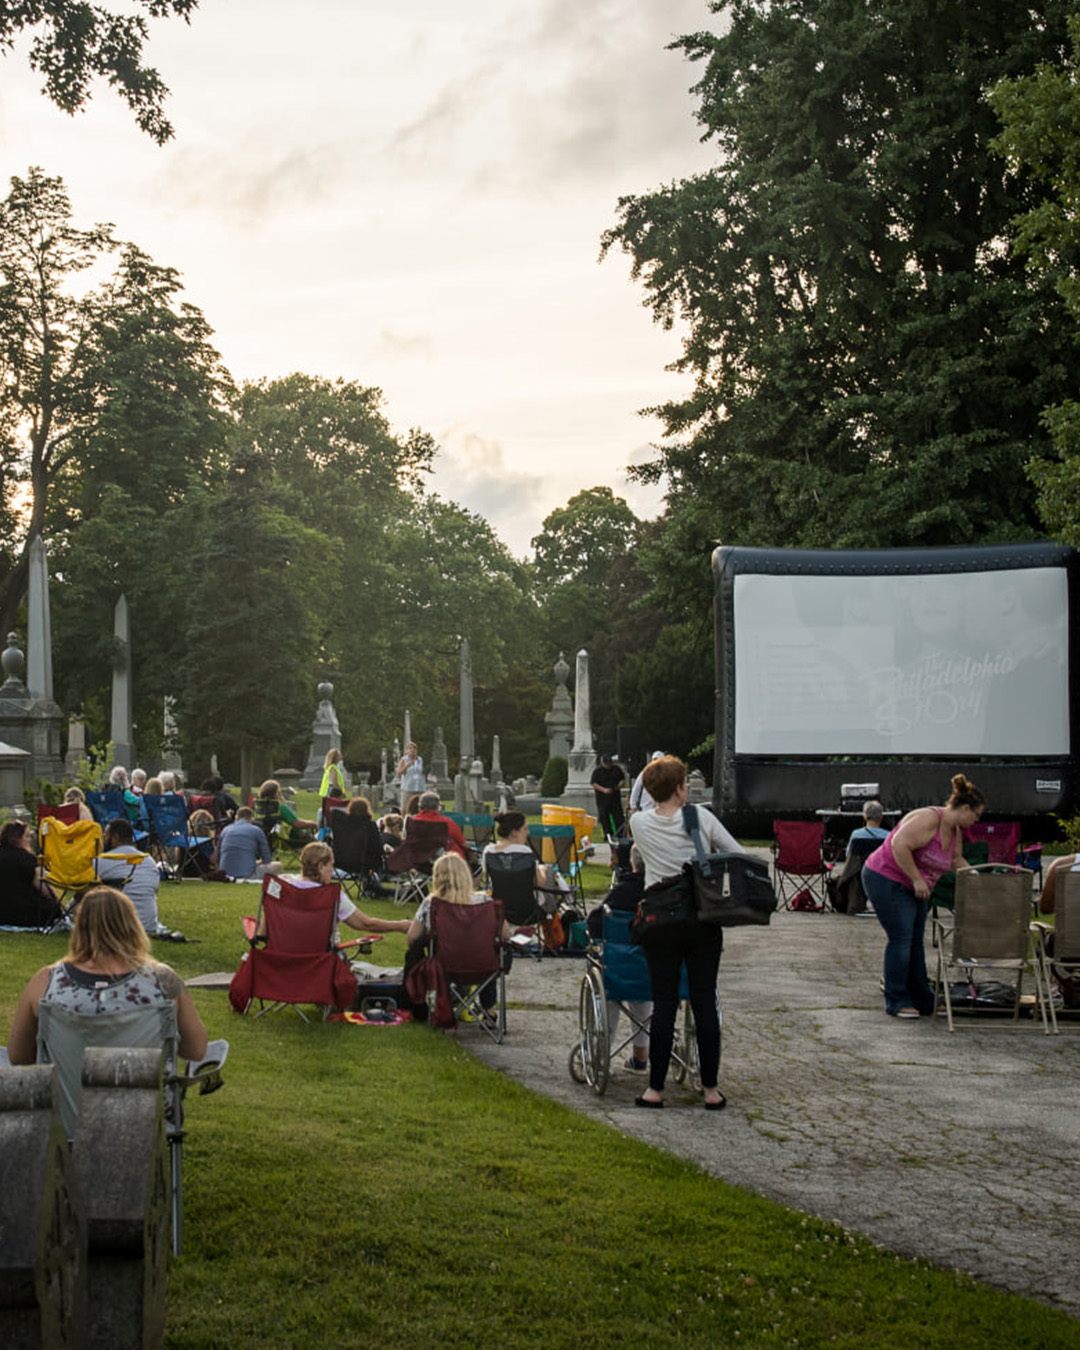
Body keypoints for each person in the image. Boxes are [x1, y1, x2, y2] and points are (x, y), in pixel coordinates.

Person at [628, 755, 747, 1110]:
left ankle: (654, 1089)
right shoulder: (701, 818)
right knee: (703, 1001)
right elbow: (736, 853)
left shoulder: (639, 823)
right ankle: (710, 1088)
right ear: (681, 789)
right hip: (700, 918)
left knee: (663, 1003)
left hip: (659, 921)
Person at [5, 886, 208, 1081]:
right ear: (132, 926)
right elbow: (196, 1050)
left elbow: (18, 1057)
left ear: (79, 928)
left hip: (64, 1115)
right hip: (145, 1114)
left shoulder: (46, 983)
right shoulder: (164, 982)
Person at [862, 774, 984, 1020]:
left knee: (916, 942)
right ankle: (896, 1000)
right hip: (887, 879)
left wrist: (977, 877)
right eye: (977, 815)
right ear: (966, 808)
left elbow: (954, 859)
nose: (976, 821)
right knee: (901, 939)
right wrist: (917, 878)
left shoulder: (955, 829)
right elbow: (899, 844)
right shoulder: (930, 819)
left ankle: (923, 999)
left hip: (915, 886)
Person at [404, 853, 511, 1018]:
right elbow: (505, 934)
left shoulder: (431, 905)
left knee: (476, 952)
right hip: (484, 967)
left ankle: (438, 1007)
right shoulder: (486, 902)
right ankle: (489, 1012)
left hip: (445, 967)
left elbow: (412, 939)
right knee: (492, 951)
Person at [586, 843, 650, 1072]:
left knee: (611, 989)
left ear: (633, 864)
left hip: (623, 968)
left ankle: (602, 1054)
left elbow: (594, 923)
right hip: (662, 971)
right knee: (644, 991)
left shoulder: (623, 891)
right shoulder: (668, 892)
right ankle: (641, 1055)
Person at [287, 841, 411, 938]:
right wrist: (401, 925)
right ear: (320, 867)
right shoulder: (332, 896)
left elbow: (266, 932)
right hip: (322, 961)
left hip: (283, 960)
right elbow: (366, 924)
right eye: (331, 865)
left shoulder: (284, 886)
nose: (332, 870)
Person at [96, 817, 169, 936]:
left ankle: (64, 917)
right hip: (147, 925)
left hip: (117, 928)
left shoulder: (103, 860)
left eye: (106, 835)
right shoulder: (148, 860)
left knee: (89, 890)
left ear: (115, 838)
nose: (104, 838)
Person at [481, 810, 559, 910]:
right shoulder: (524, 852)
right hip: (527, 907)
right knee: (548, 870)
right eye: (525, 829)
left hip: (501, 906)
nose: (528, 832)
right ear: (514, 832)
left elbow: (487, 876)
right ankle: (551, 913)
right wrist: (543, 870)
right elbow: (540, 882)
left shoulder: (489, 851)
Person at [0, 819, 62, 929]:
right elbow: (45, 890)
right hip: (26, 915)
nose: (29, 840)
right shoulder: (28, 859)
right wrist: (58, 903)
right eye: (27, 836)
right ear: (17, 839)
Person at [216, 806, 284, 881]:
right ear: (251, 819)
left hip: (225, 872)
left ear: (236, 818)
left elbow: (219, 855)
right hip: (247, 873)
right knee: (278, 865)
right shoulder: (256, 830)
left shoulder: (225, 830)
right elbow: (267, 859)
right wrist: (259, 862)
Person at [410, 791, 473, 864]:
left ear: (420, 806)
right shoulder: (447, 822)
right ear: (437, 807)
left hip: (421, 861)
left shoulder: (412, 822)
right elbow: (463, 844)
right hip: (449, 861)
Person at [256, 779, 316, 847]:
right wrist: (314, 824)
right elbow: (298, 824)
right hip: (289, 839)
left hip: (268, 837)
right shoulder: (280, 807)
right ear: (276, 793)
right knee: (316, 841)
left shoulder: (259, 807)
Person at [590, 754, 626, 839]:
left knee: (618, 817)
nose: (608, 766)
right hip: (602, 799)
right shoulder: (597, 771)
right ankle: (608, 835)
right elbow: (594, 783)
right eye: (606, 764)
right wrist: (603, 790)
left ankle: (620, 834)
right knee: (604, 818)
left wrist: (619, 786)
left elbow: (622, 779)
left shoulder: (616, 769)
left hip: (615, 798)